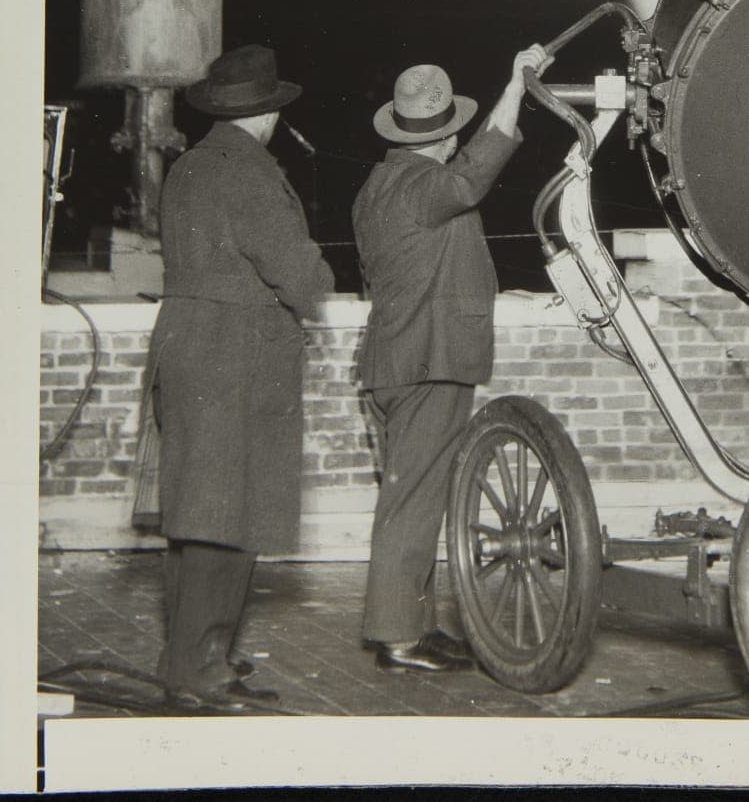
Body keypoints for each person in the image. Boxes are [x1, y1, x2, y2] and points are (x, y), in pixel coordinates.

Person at [144, 43, 334, 709]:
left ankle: (197, 656)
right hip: (236, 351)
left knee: (201, 512)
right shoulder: (249, 169)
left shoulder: (191, 164)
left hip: (186, 339)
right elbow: (290, 262)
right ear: (270, 114)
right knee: (227, 512)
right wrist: (320, 282)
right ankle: (198, 669)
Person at [353, 44, 550, 672]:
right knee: (412, 501)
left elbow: (413, 269)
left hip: (397, 358)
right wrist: (517, 82)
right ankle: (399, 639)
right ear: (446, 134)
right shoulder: (425, 184)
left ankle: (413, 625)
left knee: (415, 492)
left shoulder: (375, 189)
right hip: (427, 361)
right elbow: (474, 169)